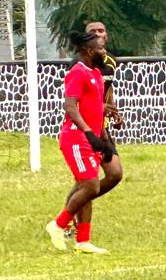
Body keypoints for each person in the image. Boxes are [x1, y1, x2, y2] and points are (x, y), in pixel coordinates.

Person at [44, 31, 122, 254]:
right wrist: (88, 133)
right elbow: (69, 106)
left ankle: (83, 241)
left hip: (92, 137)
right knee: (90, 185)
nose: (104, 52)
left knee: (87, 187)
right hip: (75, 138)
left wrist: (104, 140)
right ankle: (58, 225)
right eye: (100, 49)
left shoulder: (96, 73)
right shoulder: (77, 73)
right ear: (89, 51)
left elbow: (96, 110)